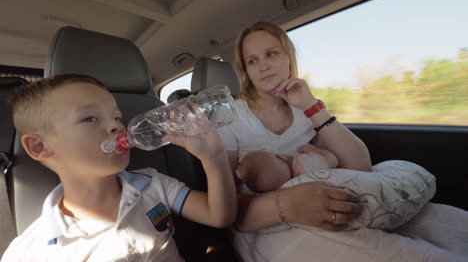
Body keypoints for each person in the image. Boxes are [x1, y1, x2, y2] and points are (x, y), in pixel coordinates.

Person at [2, 74, 237, 261]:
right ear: (40, 146)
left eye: (117, 117)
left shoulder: (153, 183)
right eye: (90, 119)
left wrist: (214, 158)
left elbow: (218, 216)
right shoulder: (33, 250)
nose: (116, 126)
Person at [217, 21, 372, 233]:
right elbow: (225, 201)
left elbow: (361, 166)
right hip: (265, 223)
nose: (263, 66)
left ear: (289, 58)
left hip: (325, 207)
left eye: (271, 54)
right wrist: (289, 206)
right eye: (252, 61)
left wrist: (310, 105)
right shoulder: (230, 116)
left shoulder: (306, 107)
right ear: (247, 72)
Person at [236, 144, 338, 193]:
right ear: (281, 157)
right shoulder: (305, 164)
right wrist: (312, 150)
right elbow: (333, 160)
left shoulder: (285, 194)